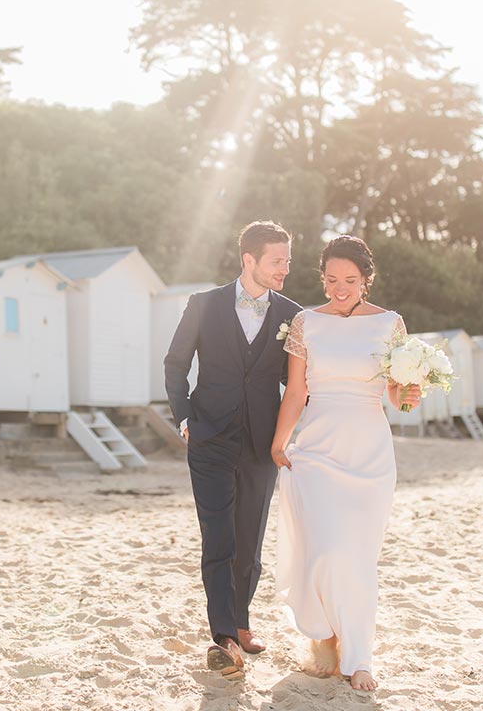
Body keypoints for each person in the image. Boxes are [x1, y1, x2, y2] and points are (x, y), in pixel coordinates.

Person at [270, 235, 421, 693]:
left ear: (366, 279)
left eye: (350, 280)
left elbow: (396, 395)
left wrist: (410, 393)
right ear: (322, 278)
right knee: (326, 550)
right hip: (316, 448)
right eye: (331, 279)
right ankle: (326, 638)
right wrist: (280, 444)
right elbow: (297, 392)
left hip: (369, 453)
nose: (340, 288)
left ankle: (359, 658)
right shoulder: (305, 322)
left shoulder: (390, 324)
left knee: (356, 557)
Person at [164, 221, 303, 681]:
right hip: (209, 438)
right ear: (249, 260)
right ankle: (222, 636)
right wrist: (185, 417)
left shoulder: (292, 314)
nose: (285, 268)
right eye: (276, 261)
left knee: (250, 542)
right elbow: (175, 362)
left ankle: (241, 621)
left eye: (287, 260)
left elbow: (297, 381)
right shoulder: (203, 305)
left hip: (263, 443)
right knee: (219, 538)